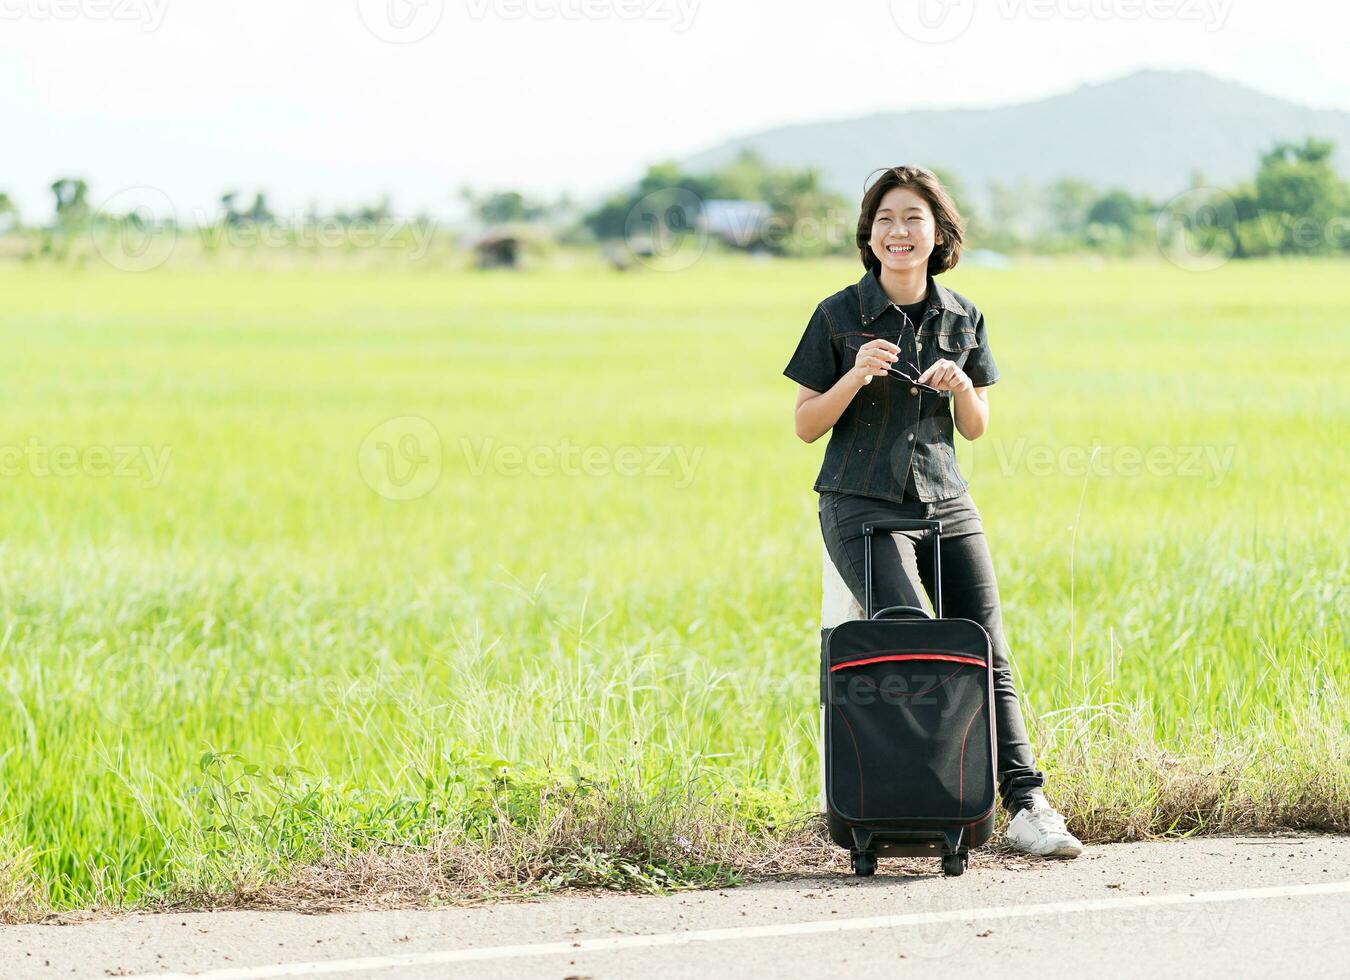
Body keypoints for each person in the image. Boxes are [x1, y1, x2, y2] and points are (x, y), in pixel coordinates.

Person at [783, 165, 1083, 858]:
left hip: (945, 499)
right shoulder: (837, 315)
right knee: (909, 639)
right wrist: (855, 374)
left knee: (987, 648)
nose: (898, 231)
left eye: (912, 218)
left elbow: (977, 426)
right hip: (859, 503)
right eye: (885, 219)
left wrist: (958, 391)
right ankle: (909, 803)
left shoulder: (963, 315)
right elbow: (804, 425)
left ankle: (1025, 804)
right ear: (869, 233)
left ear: (938, 232)